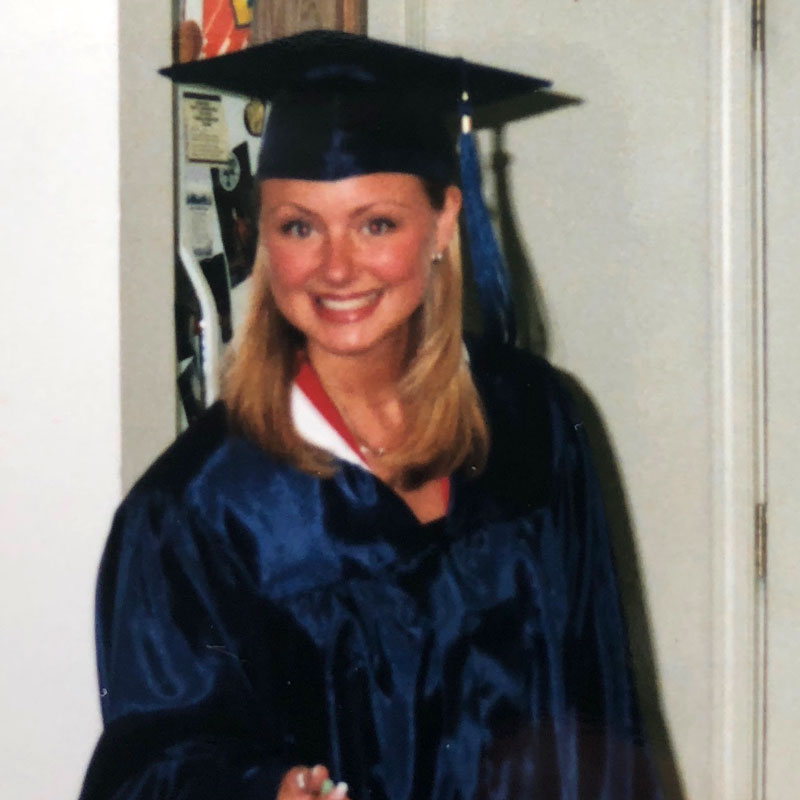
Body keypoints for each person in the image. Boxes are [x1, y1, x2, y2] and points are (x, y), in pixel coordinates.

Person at [80, 30, 662, 800]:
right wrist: (261, 788)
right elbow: (150, 769)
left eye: (376, 223)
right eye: (299, 226)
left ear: (444, 224)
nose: (336, 267)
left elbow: (604, 717)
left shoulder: (534, 422)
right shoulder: (196, 511)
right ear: (262, 236)